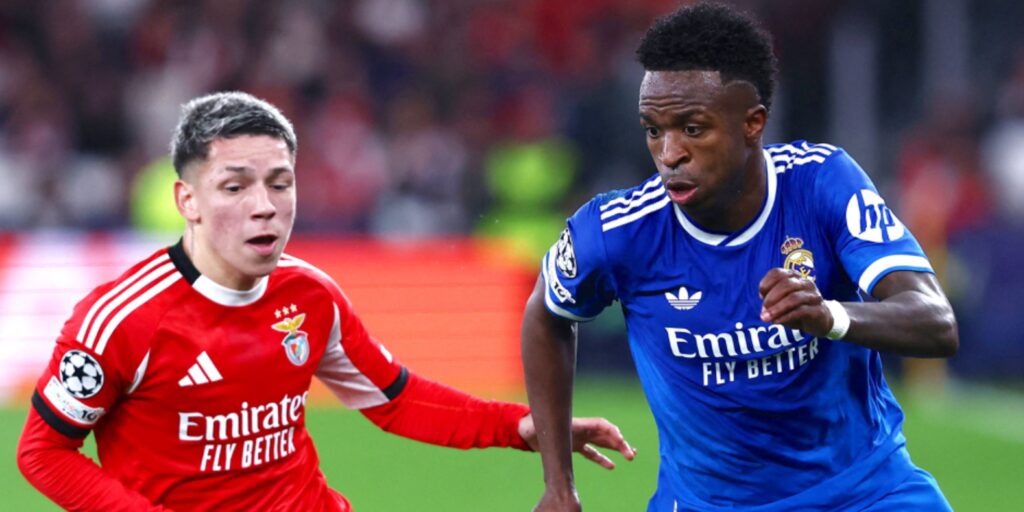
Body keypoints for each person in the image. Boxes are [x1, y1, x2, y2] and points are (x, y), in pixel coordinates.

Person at [16, 91, 635, 511]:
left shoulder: (309, 295)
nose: (265, 205)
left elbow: (396, 399)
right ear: (188, 201)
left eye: (280, 183)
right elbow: (43, 452)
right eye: (235, 186)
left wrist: (520, 426)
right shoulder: (121, 320)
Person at [521, 3, 958, 511]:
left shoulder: (822, 184)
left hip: (865, 491)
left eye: (692, 128)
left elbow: (936, 323)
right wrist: (558, 485)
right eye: (653, 130)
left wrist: (831, 316)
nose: (669, 153)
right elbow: (546, 314)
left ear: (752, 123)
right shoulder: (617, 232)